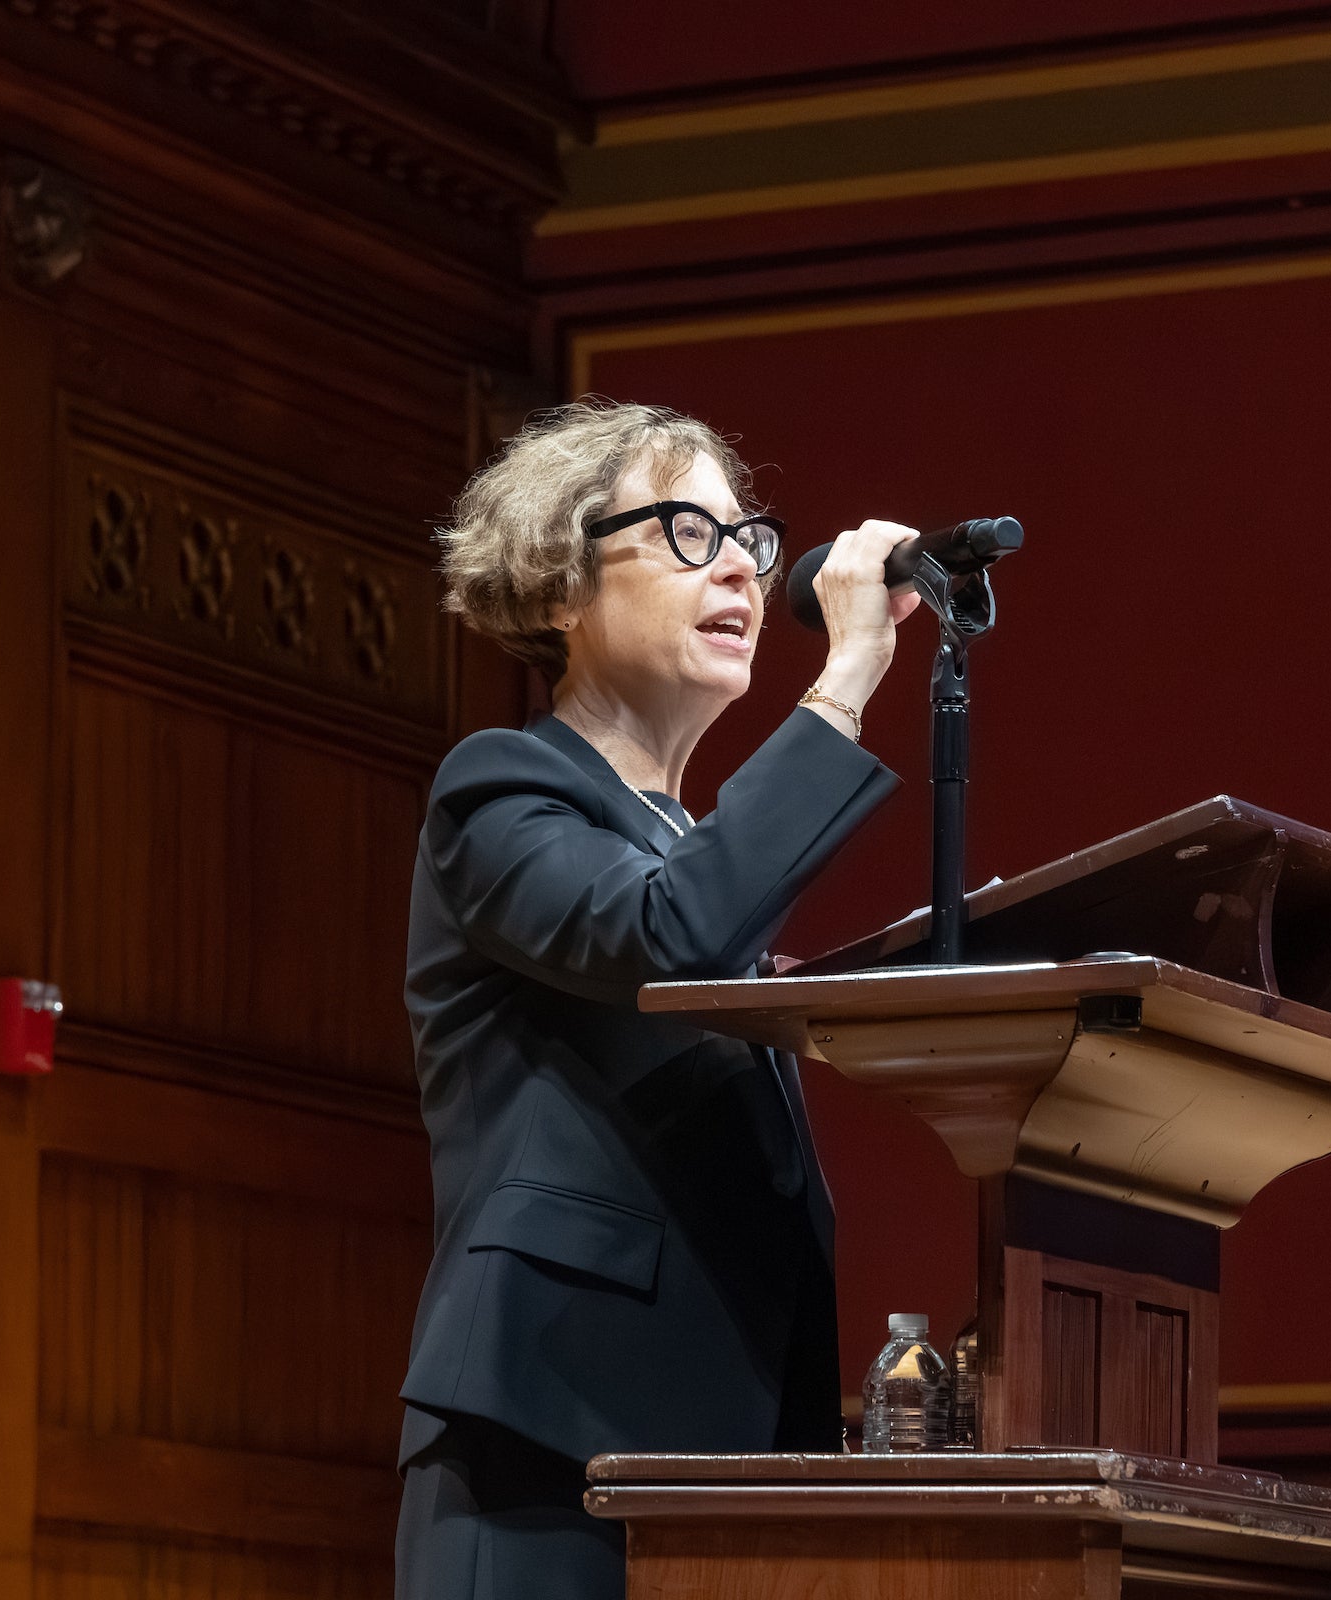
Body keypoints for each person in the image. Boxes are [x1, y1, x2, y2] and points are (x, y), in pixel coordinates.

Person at [393, 399, 922, 1597]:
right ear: (560, 584)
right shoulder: (502, 788)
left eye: (747, 536)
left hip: (717, 1449)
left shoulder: (686, 842)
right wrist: (843, 679)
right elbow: (664, 930)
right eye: (688, 530)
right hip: (550, 1436)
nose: (739, 563)